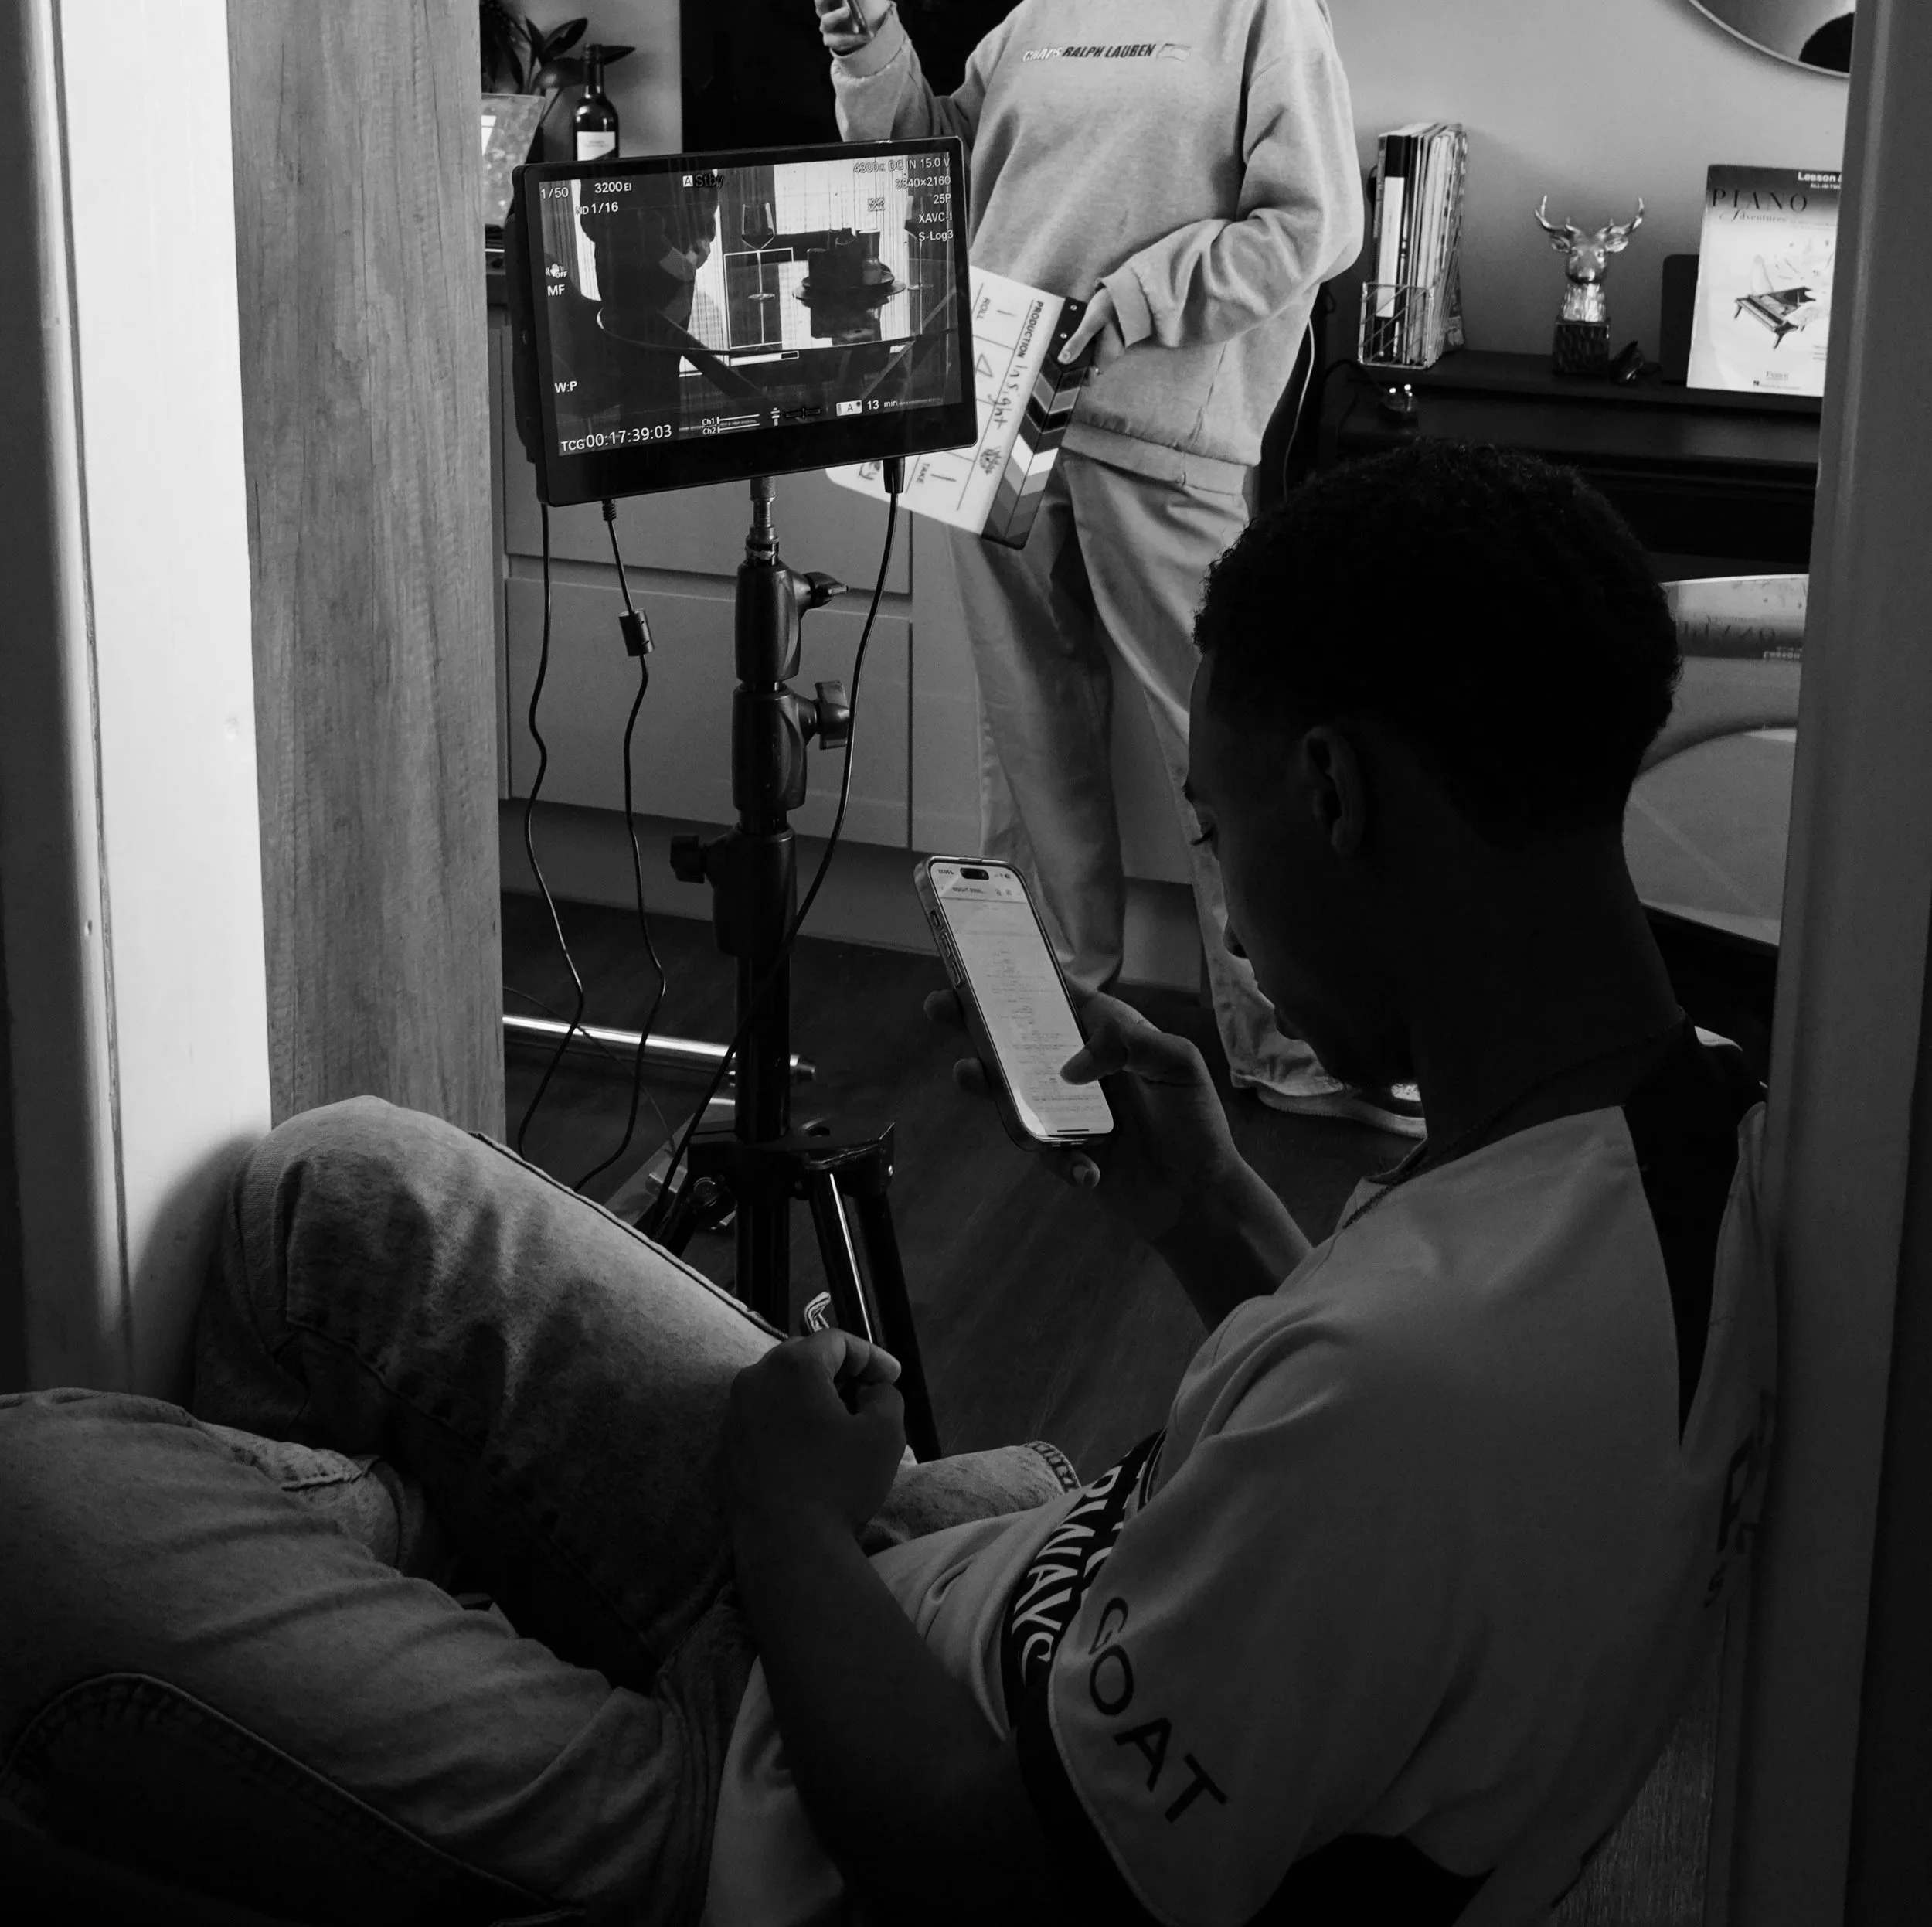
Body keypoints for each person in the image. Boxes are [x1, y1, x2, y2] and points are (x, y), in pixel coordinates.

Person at [0, 444, 1773, 1925]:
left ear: (1332, 791)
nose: (1219, 900)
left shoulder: (1423, 1393)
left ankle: (404, 1618)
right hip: (976, 1571)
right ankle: (401, 1597)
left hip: (796, 1821)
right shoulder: (1657, 1140)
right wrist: (1207, 1210)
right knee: (345, 1192)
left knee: (34, 1498)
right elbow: (1381, 1485)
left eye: (1214, 836)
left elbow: (973, 1868)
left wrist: (781, 1517)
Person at [814, 0, 1423, 1133]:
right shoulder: (1044, 12)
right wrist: (869, 46)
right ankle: (1048, 1020)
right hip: (997, 415)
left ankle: (1294, 1041)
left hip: (1163, 432)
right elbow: (929, 167)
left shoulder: (1264, 14)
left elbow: (1313, 225)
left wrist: (1133, 304)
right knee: (1028, 734)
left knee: (1231, 743)